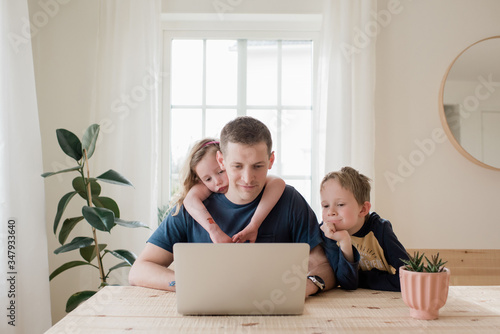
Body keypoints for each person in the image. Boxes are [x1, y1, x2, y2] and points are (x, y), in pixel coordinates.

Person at [129, 116, 335, 296]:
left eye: (258, 166)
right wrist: (188, 285)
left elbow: (323, 265)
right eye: (237, 166)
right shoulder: (192, 209)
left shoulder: (288, 200)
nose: (248, 178)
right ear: (221, 160)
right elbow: (140, 270)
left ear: (271, 160)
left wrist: (306, 287)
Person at [169, 138, 286, 243]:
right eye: (208, 179)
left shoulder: (249, 180)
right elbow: (190, 200)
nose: (217, 182)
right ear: (201, 181)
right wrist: (214, 230)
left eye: (220, 172)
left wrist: (254, 225)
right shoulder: (207, 187)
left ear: (226, 163)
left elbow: (277, 183)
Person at [320, 166, 408, 291]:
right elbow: (347, 283)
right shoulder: (328, 234)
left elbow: (409, 277)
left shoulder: (380, 230)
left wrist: (362, 279)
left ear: (363, 209)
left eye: (340, 204)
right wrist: (345, 241)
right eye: (325, 205)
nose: (331, 212)